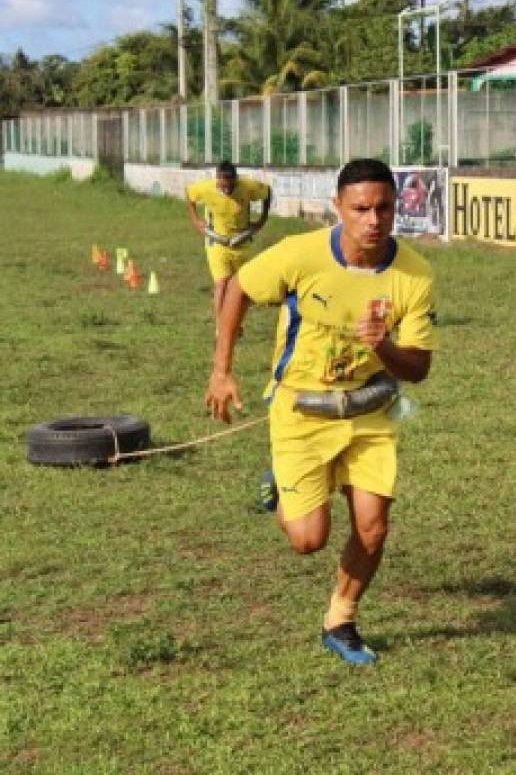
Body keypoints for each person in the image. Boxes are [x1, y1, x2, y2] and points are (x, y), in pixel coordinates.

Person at [205, 158, 436, 666]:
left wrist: (384, 348)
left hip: (370, 411)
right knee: (309, 540)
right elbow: (240, 287)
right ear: (338, 207)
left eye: (384, 208)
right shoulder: (300, 254)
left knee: (373, 527)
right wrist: (221, 370)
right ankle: (282, 489)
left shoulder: (414, 275)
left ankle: (342, 619)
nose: (373, 220)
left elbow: (417, 368)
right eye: (361, 209)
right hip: (302, 410)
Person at [186, 161, 271, 332]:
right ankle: (221, 327)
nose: (226, 190)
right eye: (222, 187)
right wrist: (196, 221)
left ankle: (236, 323)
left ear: (236, 181)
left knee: (240, 286)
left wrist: (262, 220)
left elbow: (267, 192)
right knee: (222, 284)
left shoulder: (248, 187)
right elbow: (189, 194)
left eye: (229, 187)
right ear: (217, 180)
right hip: (217, 242)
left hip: (242, 241)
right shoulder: (206, 188)